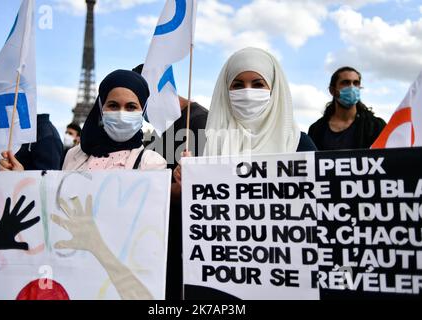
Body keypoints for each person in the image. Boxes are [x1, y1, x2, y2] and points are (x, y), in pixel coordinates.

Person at [172, 47, 316, 300]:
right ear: (225, 91)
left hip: (283, 279)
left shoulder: (299, 144)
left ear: (274, 88)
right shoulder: (207, 147)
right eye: (237, 85)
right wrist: (187, 184)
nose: (247, 92)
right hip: (221, 284)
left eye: (258, 84)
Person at [133, 63, 208, 300]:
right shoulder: (162, 126)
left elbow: (195, 191)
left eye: (141, 101)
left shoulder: (200, 122)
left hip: (183, 248)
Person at [0, 69, 167, 171]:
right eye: (113, 105)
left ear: (143, 110)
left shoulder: (152, 164)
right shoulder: (74, 154)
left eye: (131, 107)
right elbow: (53, 202)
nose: (121, 113)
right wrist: (21, 178)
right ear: (100, 109)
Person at [308, 66, 386, 151]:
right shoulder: (317, 129)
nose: (352, 87)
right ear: (332, 90)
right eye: (345, 83)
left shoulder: (375, 126)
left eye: (356, 83)